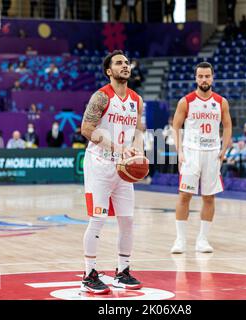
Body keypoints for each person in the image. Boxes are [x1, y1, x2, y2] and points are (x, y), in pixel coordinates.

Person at [79, 50, 144, 294]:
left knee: (127, 221)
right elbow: (86, 128)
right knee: (97, 219)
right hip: (99, 164)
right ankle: (88, 274)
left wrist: (137, 152)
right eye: (119, 63)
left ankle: (122, 271)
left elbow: (139, 131)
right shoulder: (101, 97)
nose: (125, 66)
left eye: (127, 62)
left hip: (123, 167)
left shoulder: (137, 99)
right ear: (109, 71)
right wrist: (117, 147)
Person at [171, 62, 232, 254]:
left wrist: (224, 150)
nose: (204, 79)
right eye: (200, 76)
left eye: (207, 76)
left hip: (212, 152)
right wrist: (179, 151)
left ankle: (202, 240)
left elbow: (228, 126)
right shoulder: (186, 101)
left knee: (209, 197)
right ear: (196, 78)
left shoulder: (221, 102)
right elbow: (176, 127)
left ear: (212, 77)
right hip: (191, 152)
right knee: (184, 195)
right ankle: (180, 240)